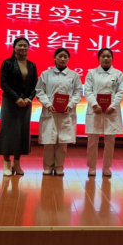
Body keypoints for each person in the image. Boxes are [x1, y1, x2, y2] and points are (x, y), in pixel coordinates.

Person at [35, 48, 83, 177]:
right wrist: (48, 104)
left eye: (65, 57)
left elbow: (78, 92)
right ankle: (47, 166)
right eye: (60, 56)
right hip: (50, 111)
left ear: (68, 59)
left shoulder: (74, 75)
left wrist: (70, 104)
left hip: (66, 112)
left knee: (62, 142)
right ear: (54, 58)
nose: (62, 59)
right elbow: (39, 91)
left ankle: (59, 167)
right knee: (49, 142)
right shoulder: (46, 74)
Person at [0, 37, 38, 177]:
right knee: (8, 132)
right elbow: (4, 83)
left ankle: (17, 163)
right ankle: (7, 163)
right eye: (20, 45)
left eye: (25, 45)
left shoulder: (32, 65)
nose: (23, 48)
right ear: (14, 47)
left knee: (21, 132)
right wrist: (16, 98)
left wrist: (29, 98)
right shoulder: (7, 63)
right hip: (10, 102)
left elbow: (35, 85)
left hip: (25, 103)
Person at [85, 48, 123, 177]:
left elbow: (120, 91)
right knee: (92, 141)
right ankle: (92, 167)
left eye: (108, 56)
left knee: (110, 142)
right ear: (99, 58)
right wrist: (94, 104)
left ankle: (106, 167)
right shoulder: (91, 73)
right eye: (103, 56)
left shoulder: (118, 74)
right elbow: (88, 90)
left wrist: (113, 105)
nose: (106, 58)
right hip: (95, 110)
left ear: (112, 58)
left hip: (111, 111)